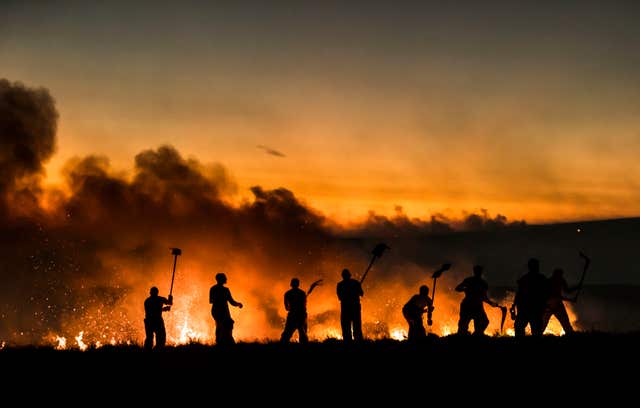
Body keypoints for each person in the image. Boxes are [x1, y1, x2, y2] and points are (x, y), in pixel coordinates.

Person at [455, 265, 499, 336]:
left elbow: (457, 288)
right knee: (465, 325)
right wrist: (465, 289)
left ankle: (475, 335)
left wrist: (491, 303)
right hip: (471, 305)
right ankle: (471, 336)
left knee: (483, 322)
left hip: (472, 305)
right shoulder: (482, 283)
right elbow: (457, 288)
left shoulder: (473, 281)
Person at [512, 258, 549, 337]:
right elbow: (546, 293)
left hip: (525, 308)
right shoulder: (542, 279)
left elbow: (519, 294)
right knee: (536, 330)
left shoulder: (524, 279)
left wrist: (514, 304)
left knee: (520, 328)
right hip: (535, 309)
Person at [280, 278, 323, 344]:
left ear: (291, 284)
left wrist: (292, 308)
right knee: (303, 333)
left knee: (287, 333)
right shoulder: (301, 293)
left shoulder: (288, 293)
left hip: (292, 315)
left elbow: (286, 308)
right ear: (298, 284)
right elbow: (305, 299)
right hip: (301, 315)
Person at [209, 273, 243, 345]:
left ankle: (220, 342)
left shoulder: (213, 288)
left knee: (221, 326)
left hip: (216, 310)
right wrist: (238, 304)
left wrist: (238, 304)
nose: (226, 279)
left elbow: (211, 301)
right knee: (225, 325)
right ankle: (225, 343)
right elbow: (231, 301)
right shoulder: (225, 290)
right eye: (225, 278)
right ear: (221, 279)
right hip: (222, 311)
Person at [542, 268, 577, 334]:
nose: (560, 276)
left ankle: (570, 334)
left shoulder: (561, 280)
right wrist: (570, 299)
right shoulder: (550, 281)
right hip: (551, 304)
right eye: (559, 275)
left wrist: (576, 287)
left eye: (561, 275)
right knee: (544, 323)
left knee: (565, 323)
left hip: (554, 304)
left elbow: (567, 291)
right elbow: (554, 295)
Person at [336, 268, 364, 343]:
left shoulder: (340, 285)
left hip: (347, 308)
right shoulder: (355, 283)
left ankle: (349, 342)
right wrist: (355, 290)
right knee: (355, 326)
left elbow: (340, 297)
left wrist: (357, 289)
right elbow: (361, 294)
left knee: (347, 327)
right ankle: (357, 341)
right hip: (353, 308)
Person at [143, 286, 173, 351]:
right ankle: (157, 350)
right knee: (160, 337)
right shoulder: (158, 299)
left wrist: (170, 299)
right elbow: (154, 311)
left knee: (150, 338)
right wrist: (165, 308)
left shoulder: (147, 301)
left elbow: (169, 303)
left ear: (150, 293)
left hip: (149, 321)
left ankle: (148, 351)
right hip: (156, 321)